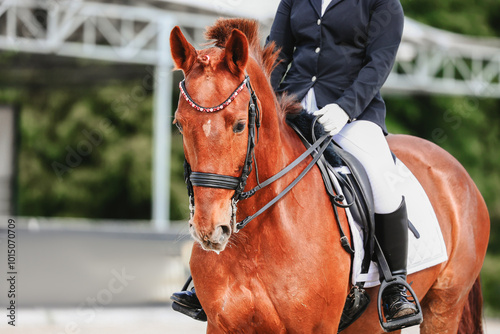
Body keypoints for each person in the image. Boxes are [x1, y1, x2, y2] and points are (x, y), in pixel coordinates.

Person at [173, 0, 419, 326]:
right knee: (238, 165)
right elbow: (275, 56)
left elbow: (379, 64)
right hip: (291, 105)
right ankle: (207, 280)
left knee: (380, 177)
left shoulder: (382, 4)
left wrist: (346, 108)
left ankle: (394, 285)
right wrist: (263, 103)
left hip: (351, 113)